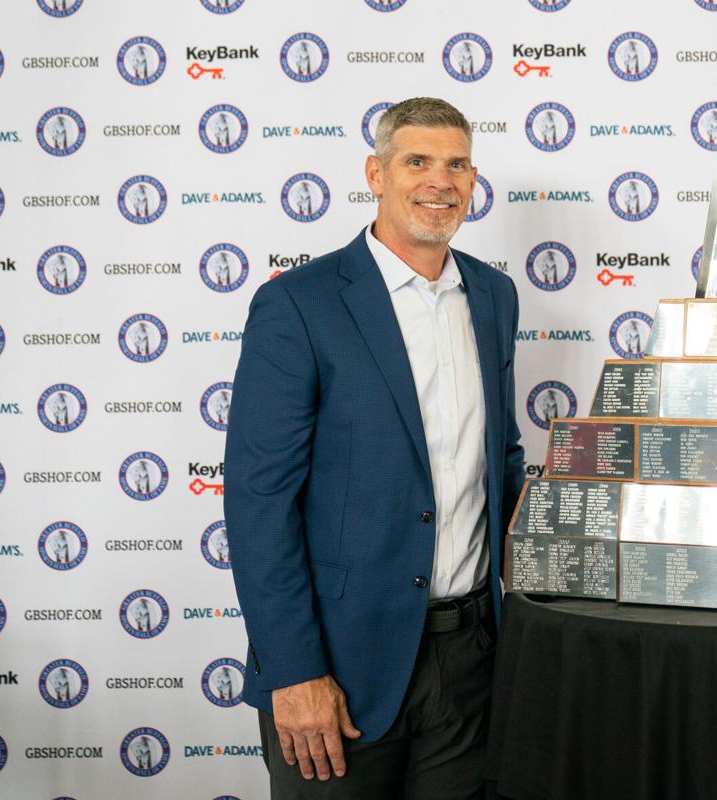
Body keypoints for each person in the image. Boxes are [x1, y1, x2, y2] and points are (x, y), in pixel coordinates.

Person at [225, 97, 524, 799]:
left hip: (471, 661)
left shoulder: (495, 297)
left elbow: (500, 459)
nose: (439, 182)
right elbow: (260, 501)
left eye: (457, 165)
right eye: (417, 161)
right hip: (339, 666)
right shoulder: (300, 303)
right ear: (376, 173)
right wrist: (293, 671)